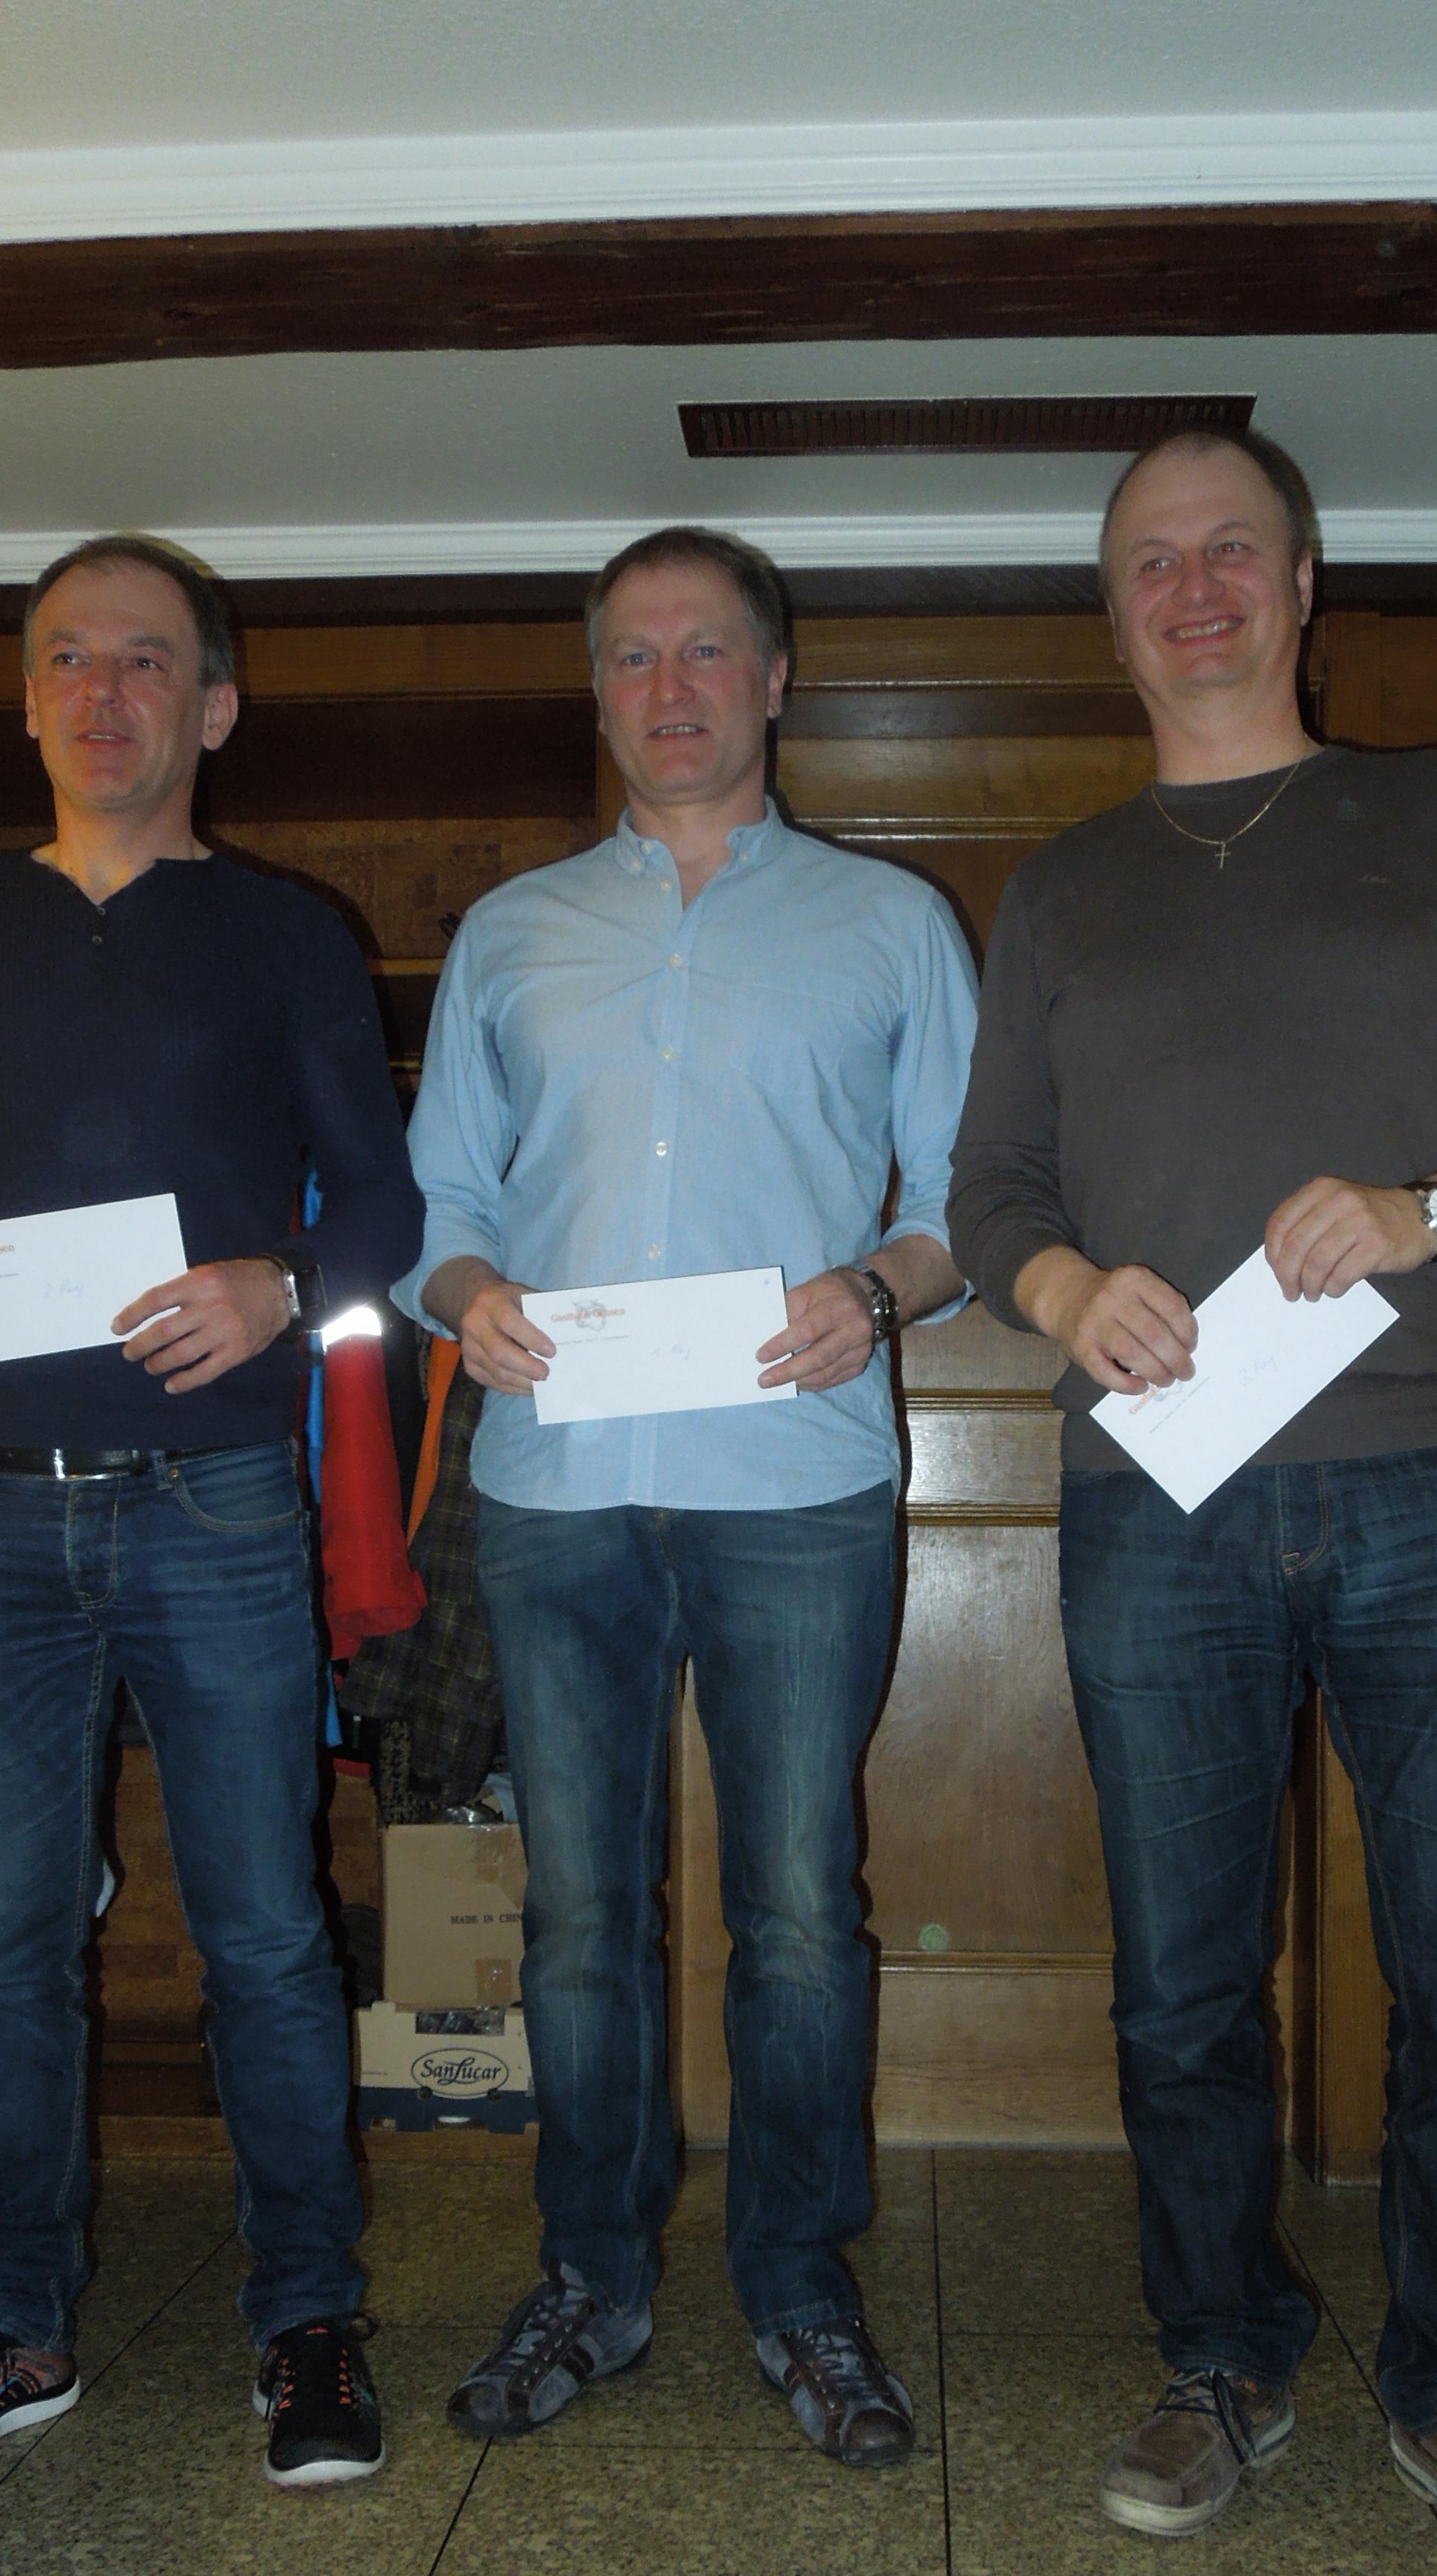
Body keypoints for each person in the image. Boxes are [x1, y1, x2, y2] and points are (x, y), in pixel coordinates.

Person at [948, 429, 1437, 2576]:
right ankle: (1221, 2357)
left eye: (1231, 548)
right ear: (1112, 613)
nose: (1196, 587)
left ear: (1306, 579)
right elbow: (992, 1192)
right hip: (1159, 1496)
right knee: (1180, 1985)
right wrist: (1063, 1292)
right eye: (1152, 560)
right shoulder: (1063, 888)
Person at [0, 535, 420, 2494]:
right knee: (7, 1943)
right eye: (68, 658)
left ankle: (308, 2321)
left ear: (214, 706)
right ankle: (12, 2326)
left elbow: (388, 1207)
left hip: (219, 1508)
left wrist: (284, 1282)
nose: (104, 693)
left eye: (146, 660)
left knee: (264, 1936)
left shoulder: (288, 934)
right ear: (26, 700)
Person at [401, 525, 977, 2464]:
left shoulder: (891, 925)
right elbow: (442, 1204)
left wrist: (875, 1291)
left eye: (707, 650)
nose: (671, 687)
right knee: (579, 1915)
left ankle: (801, 2288)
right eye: (634, 655)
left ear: (775, 678)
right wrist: (467, 1297)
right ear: (598, 688)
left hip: (796, 1484)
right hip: (558, 1483)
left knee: (799, 1912)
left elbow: (963, 1206)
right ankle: (594, 2274)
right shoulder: (510, 932)